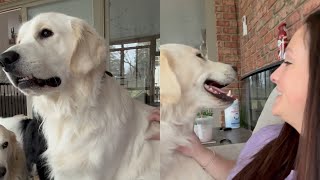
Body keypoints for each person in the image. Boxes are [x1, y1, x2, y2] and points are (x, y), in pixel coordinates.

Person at [148, 9, 320, 180]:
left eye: (288, 62)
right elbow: (242, 173)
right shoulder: (269, 137)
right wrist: (199, 152)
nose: (273, 76)